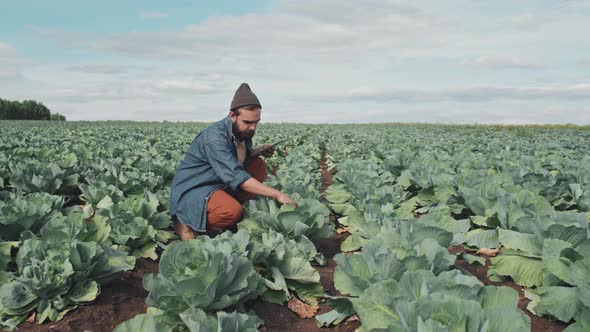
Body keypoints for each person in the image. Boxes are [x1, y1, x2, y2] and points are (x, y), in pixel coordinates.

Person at [169, 83, 297, 240]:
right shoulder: (214, 138)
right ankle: (186, 221)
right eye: (248, 122)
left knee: (259, 165)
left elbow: (238, 156)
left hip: (218, 181)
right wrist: (278, 195)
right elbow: (236, 175)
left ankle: (231, 208)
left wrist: (258, 150)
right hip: (197, 188)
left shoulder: (241, 132)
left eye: (256, 122)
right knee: (232, 212)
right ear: (232, 116)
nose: (252, 128)